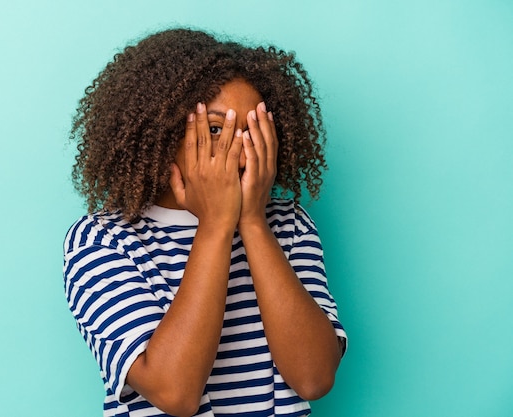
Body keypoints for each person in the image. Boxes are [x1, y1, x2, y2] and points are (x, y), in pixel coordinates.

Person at [63, 28, 347, 417]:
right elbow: (175, 393)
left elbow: (314, 378)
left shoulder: (290, 226)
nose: (238, 148)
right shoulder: (102, 241)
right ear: (160, 131)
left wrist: (252, 223)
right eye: (216, 129)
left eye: (255, 131)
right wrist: (215, 225)